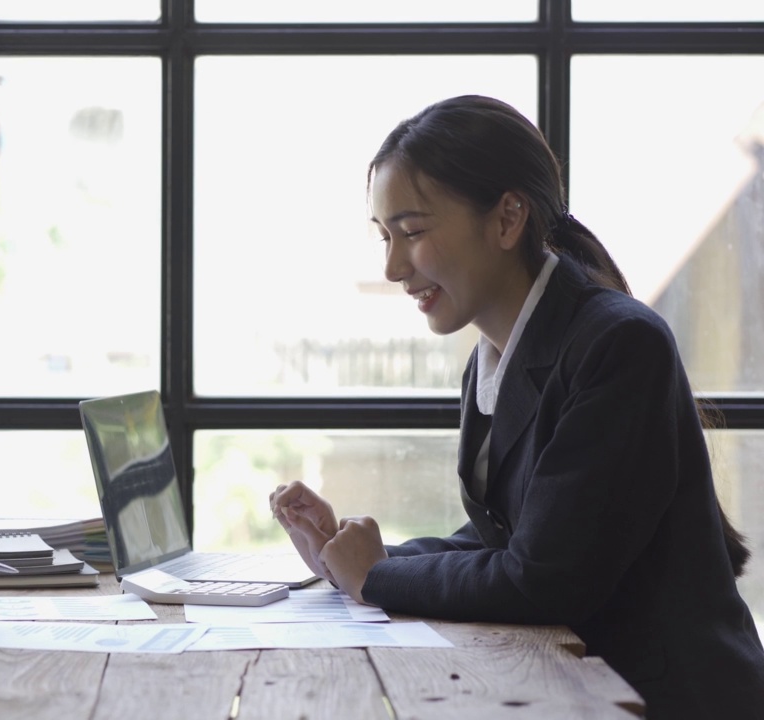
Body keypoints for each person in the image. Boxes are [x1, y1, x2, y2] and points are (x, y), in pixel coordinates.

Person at [270, 95, 764, 718]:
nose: (394, 267)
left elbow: (542, 577)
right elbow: (506, 537)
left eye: (414, 232)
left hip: (666, 700)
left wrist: (376, 575)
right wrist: (354, 554)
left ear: (507, 220)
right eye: (384, 237)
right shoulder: (495, 353)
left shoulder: (618, 344)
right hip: (580, 687)